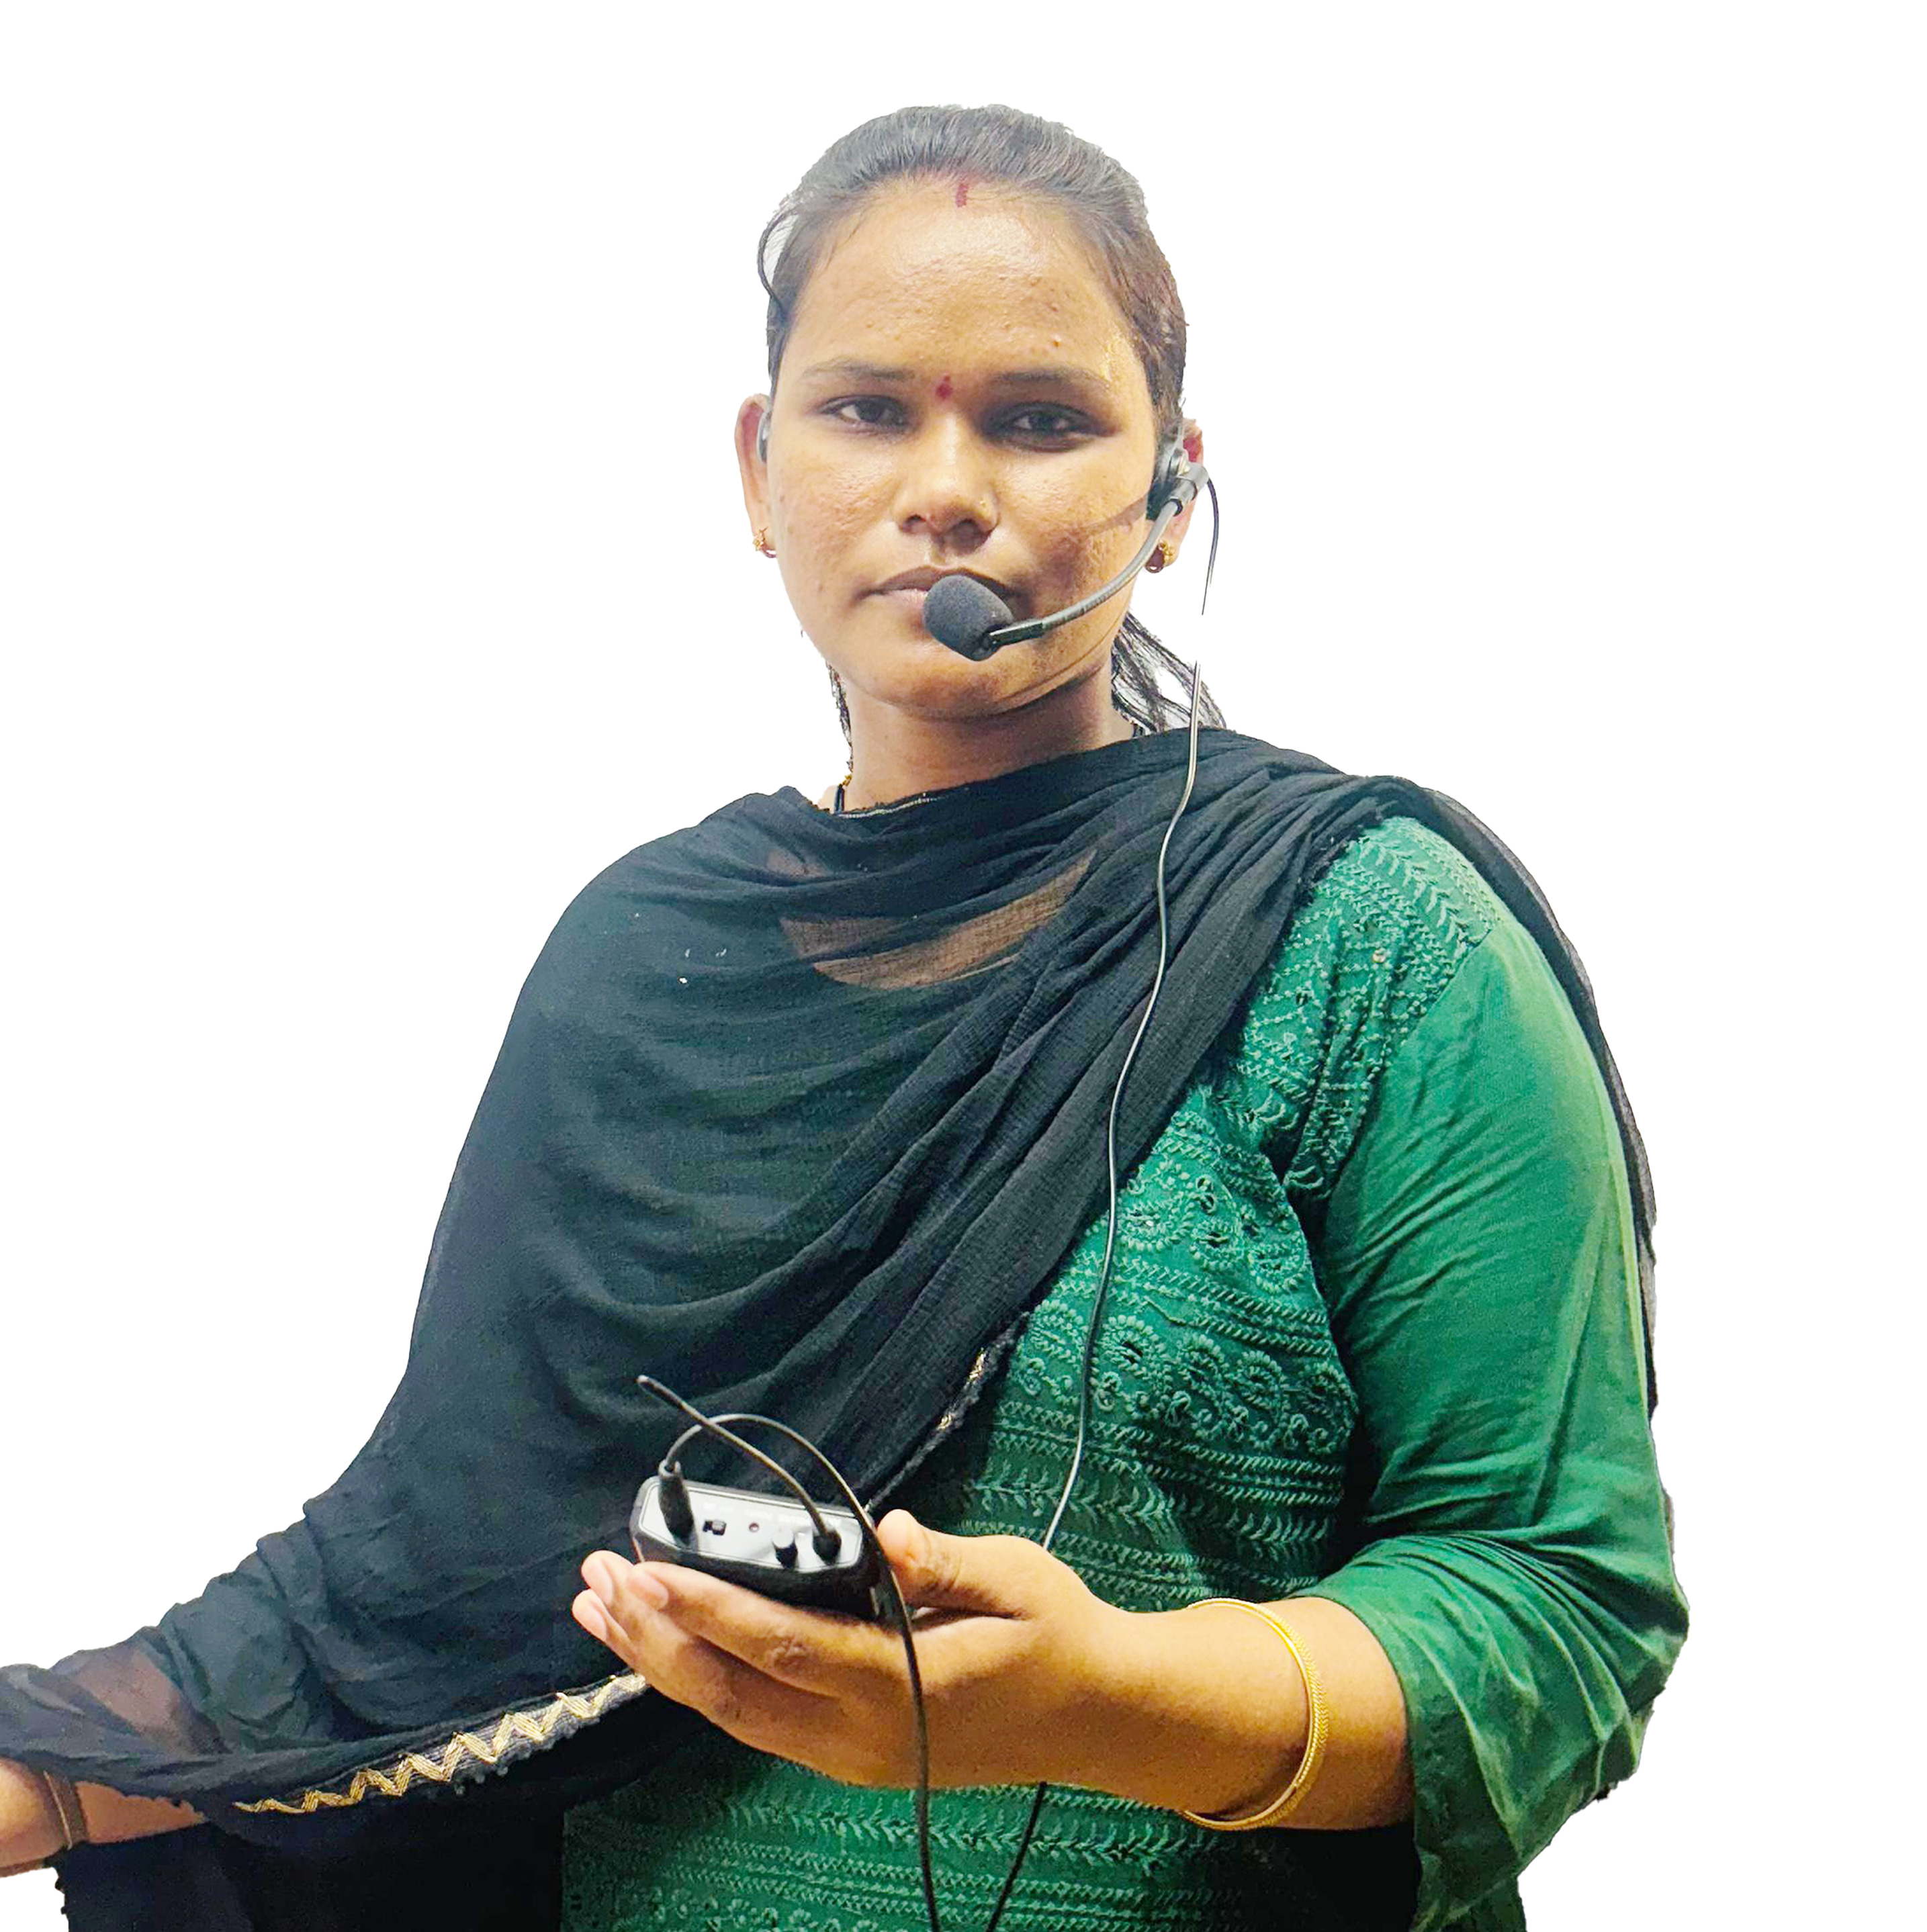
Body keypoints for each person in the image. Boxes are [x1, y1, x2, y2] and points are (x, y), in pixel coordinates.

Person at [0, 103, 1686, 1931]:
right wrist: (47, 1779)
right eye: (870, 409)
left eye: (1039, 419)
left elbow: (1556, 1600)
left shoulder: (1368, 938)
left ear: (1170, 490)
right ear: (759, 468)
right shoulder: (642, 957)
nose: (946, 489)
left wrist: (1110, 1704)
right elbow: (412, 1594)